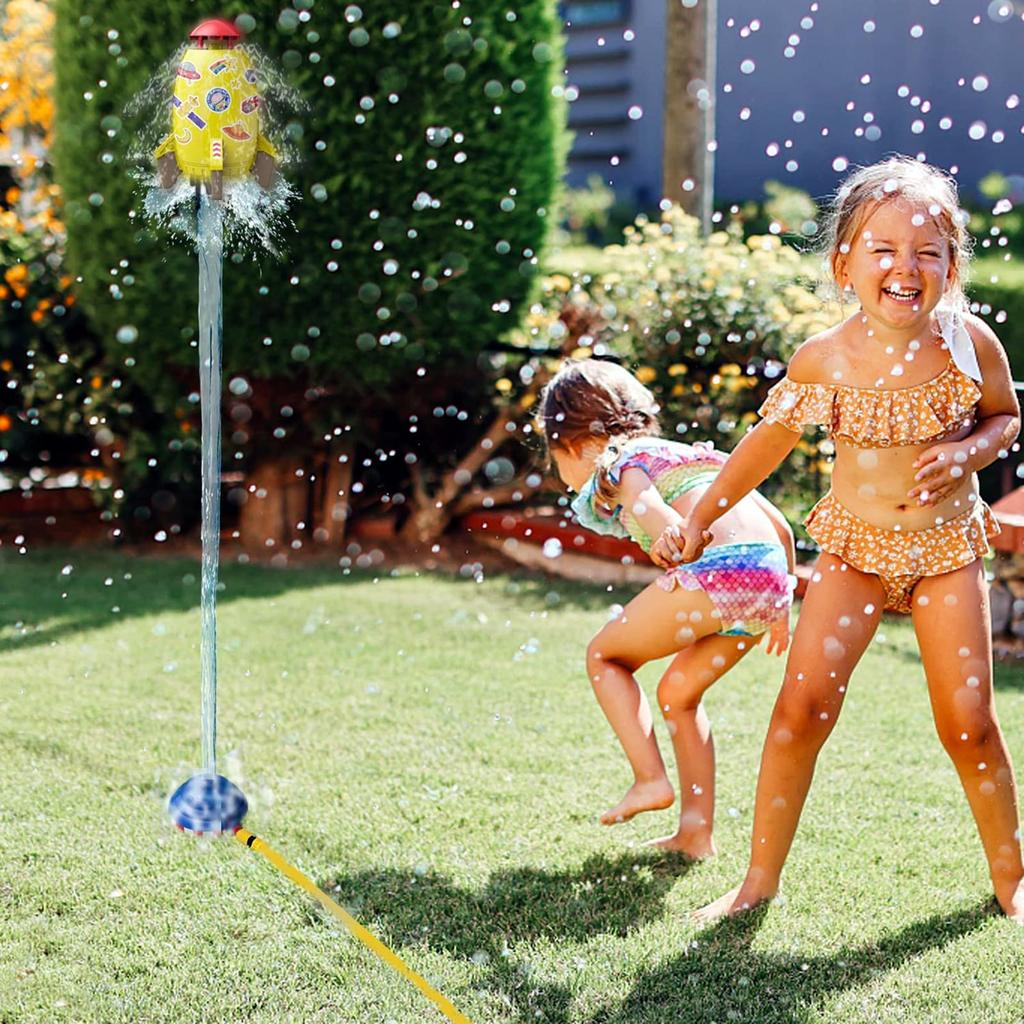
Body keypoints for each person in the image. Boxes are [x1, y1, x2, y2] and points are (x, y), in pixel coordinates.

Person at [657, 157, 1024, 922]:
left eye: (928, 252)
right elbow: (765, 443)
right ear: (844, 265)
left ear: (951, 268)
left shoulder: (969, 343)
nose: (905, 266)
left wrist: (968, 452)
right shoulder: (826, 357)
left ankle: (1011, 879)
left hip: (946, 553)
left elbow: (1006, 417)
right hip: (854, 553)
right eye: (883, 249)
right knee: (799, 714)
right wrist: (698, 516)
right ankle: (757, 882)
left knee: (969, 725)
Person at [538, 358, 796, 857]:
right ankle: (696, 835)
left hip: (719, 569)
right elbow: (780, 525)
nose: (562, 475)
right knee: (679, 694)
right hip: (764, 581)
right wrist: (781, 600)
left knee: (605, 657)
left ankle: (650, 779)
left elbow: (642, 498)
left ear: (570, 444)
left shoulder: (621, 461)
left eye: (555, 460)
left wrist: (662, 530)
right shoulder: (692, 456)